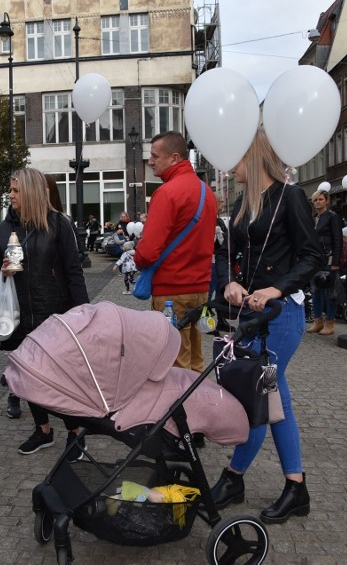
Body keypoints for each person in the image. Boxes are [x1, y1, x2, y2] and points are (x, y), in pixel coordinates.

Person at [213, 128, 324, 525]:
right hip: (253, 316)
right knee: (276, 401)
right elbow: (225, 252)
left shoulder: (290, 196)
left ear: (254, 157)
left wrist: (276, 288)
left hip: (281, 315)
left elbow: (314, 255)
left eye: (237, 157)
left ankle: (234, 478)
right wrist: (230, 281)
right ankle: (295, 487)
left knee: (258, 397)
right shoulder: (245, 203)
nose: (231, 165)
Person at [0, 168, 89, 461]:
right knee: (27, 377)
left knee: (61, 378)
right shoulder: (6, 229)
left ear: (31, 192)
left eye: (16, 190)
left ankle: (76, 432)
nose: (10, 195)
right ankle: (43, 429)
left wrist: (84, 313)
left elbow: (74, 272)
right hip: (19, 315)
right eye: (10, 190)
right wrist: (1, 269)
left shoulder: (58, 224)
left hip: (54, 313)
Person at [133, 131, 217, 373]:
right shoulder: (206, 192)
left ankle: (179, 411)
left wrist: (138, 258)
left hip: (172, 291)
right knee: (196, 359)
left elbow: (147, 253)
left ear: (174, 158)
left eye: (154, 155)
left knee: (174, 363)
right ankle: (198, 406)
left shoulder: (167, 193)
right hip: (201, 290)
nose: (150, 161)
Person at [306, 190, 342, 336]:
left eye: (320, 199)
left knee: (330, 292)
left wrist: (336, 261)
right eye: (315, 200)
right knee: (316, 291)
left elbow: (338, 240)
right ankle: (318, 320)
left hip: (328, 259)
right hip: (315, 260)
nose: (318, 202)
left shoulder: (332, 217)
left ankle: (330, 322)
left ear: (327, 201)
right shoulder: (314, 218)